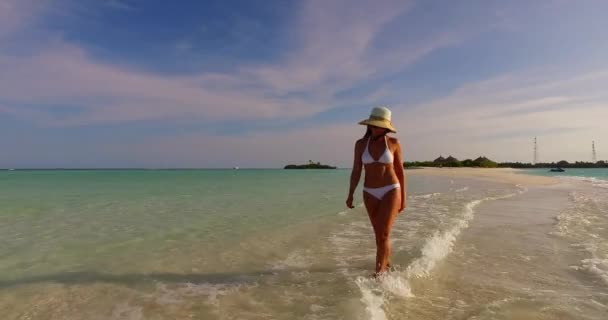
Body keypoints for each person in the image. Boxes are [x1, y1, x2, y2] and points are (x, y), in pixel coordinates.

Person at [346, 106, 406, 276]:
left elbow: (400, 171)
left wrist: (404, 198)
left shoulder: (394, 143)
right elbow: (356, 170)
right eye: (373, 124)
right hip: (369, 192)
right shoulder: (360, 144)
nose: (374, 127)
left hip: (391, 190)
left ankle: (378, 274)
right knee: (379, 234)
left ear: (386, 127)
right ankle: (386, 263)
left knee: (383, 233)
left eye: (378, 125)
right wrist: (350, 193)